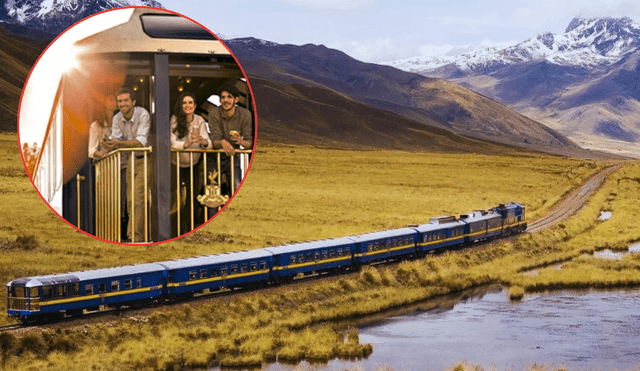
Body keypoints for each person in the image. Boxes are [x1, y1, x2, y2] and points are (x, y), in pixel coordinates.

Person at [103, 87, 151, 243]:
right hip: (130, 159)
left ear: (133, 102)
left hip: (145, 157)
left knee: (138, 199)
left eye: (125, 100)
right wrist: (111, 144)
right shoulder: (117, 118)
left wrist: (118, 144)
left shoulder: (143, 114)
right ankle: (132, 235)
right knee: (130, 200)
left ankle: (139, 237)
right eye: (120, 101)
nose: (122, 104)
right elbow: (116, 141)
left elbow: (140, 142)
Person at [170, 91, 212, 236]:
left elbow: (209, 143)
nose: (187, 105)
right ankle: (173, 230)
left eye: (190, 103)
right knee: (175, 198)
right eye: (184, 103)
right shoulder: (175, 119)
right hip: (175, 163)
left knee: (192, 197)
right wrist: (187, 144)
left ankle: (188, 228)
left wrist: (203, 141)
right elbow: (172, 142)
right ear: (181, 105)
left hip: (193, 164)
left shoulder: (200, 121)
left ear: (194, 105)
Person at [208, 85, 253, 194]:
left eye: (229, 97)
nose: (226, 100)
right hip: (214, 156)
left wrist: (241, 142)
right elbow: (215, 140)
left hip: (233, 156)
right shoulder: (214, 113)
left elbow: (249, 143)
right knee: (212, 191)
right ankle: (214, 211)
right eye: (223, 97)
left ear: (236, 99)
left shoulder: (245, 114)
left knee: (236, 186)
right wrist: (222, 142)